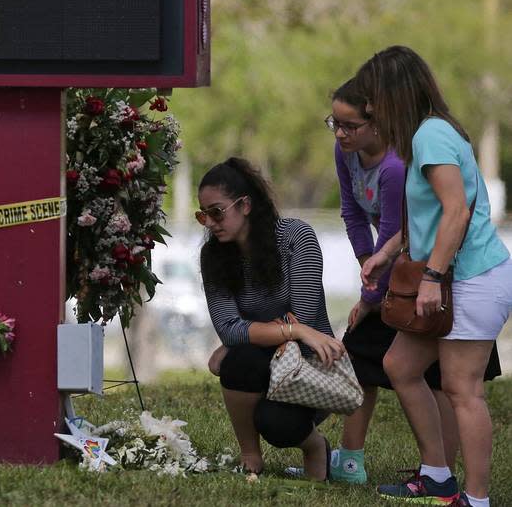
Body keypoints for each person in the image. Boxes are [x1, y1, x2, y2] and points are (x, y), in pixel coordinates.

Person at [356, 46, 511, 507]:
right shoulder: (425, 135)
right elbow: (430, 211)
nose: (370, 109)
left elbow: (457, 212)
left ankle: (476, 499)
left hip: (471, 278)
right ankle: (438, 476)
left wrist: (431, 276)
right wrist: (387, 252)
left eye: (373, 98)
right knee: (399, 365)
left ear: (394, 94)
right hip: (448, 276)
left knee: (462, 388)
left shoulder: (432, 136)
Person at [200, 157, 344, 481]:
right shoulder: (213, 256)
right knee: (239, 361)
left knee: (278, 424)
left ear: (245, 205)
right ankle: (250, 456)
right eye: (202, 215)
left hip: (309, 366)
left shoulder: (296, 238)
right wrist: (286, 330)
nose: (209, 222)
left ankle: (316, 446)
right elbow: (228, 328)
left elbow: (304, 318)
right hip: (262, 362)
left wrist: (245, 335)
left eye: (216, 212)